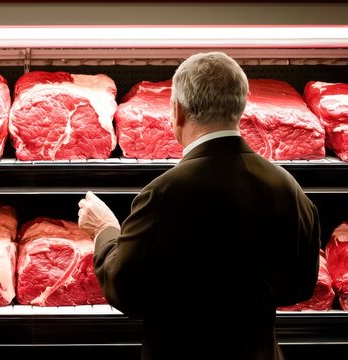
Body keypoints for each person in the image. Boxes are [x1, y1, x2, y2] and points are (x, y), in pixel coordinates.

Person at [77, 52, 321, 360]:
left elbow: (126, 291)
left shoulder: (163, 194)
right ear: (240, 108)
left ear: (178, 112)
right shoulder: (289, 189)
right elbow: (298, 288)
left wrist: (104, 229)